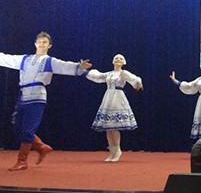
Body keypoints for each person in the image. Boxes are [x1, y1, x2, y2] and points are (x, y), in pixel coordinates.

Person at [0, 32, 92, 171]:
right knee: (18, 128)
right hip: (23, 95)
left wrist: (79, 67)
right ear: (35, 43)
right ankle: (41, 147)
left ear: (49, 45)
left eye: (44, 42)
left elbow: (64, 66)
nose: (41, 44)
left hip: (37, 95)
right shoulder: (25, 59)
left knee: (27, 129)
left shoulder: (50, 61)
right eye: (39, 41)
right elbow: (7, 59)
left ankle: (22, 161)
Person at [86, 54, 143, 162]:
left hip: (118, 97)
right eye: (116, 58)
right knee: (108, 127)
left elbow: (134, 80)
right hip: (108, 97)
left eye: (121, 58)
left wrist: (138, 84)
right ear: (113, 61)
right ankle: (112, 150)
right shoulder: (109, 74)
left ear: (124, 62)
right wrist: (84, 71)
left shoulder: (123, 73)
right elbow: (97, 76)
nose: (118, 60)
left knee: (114, 126)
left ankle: (117, 149)